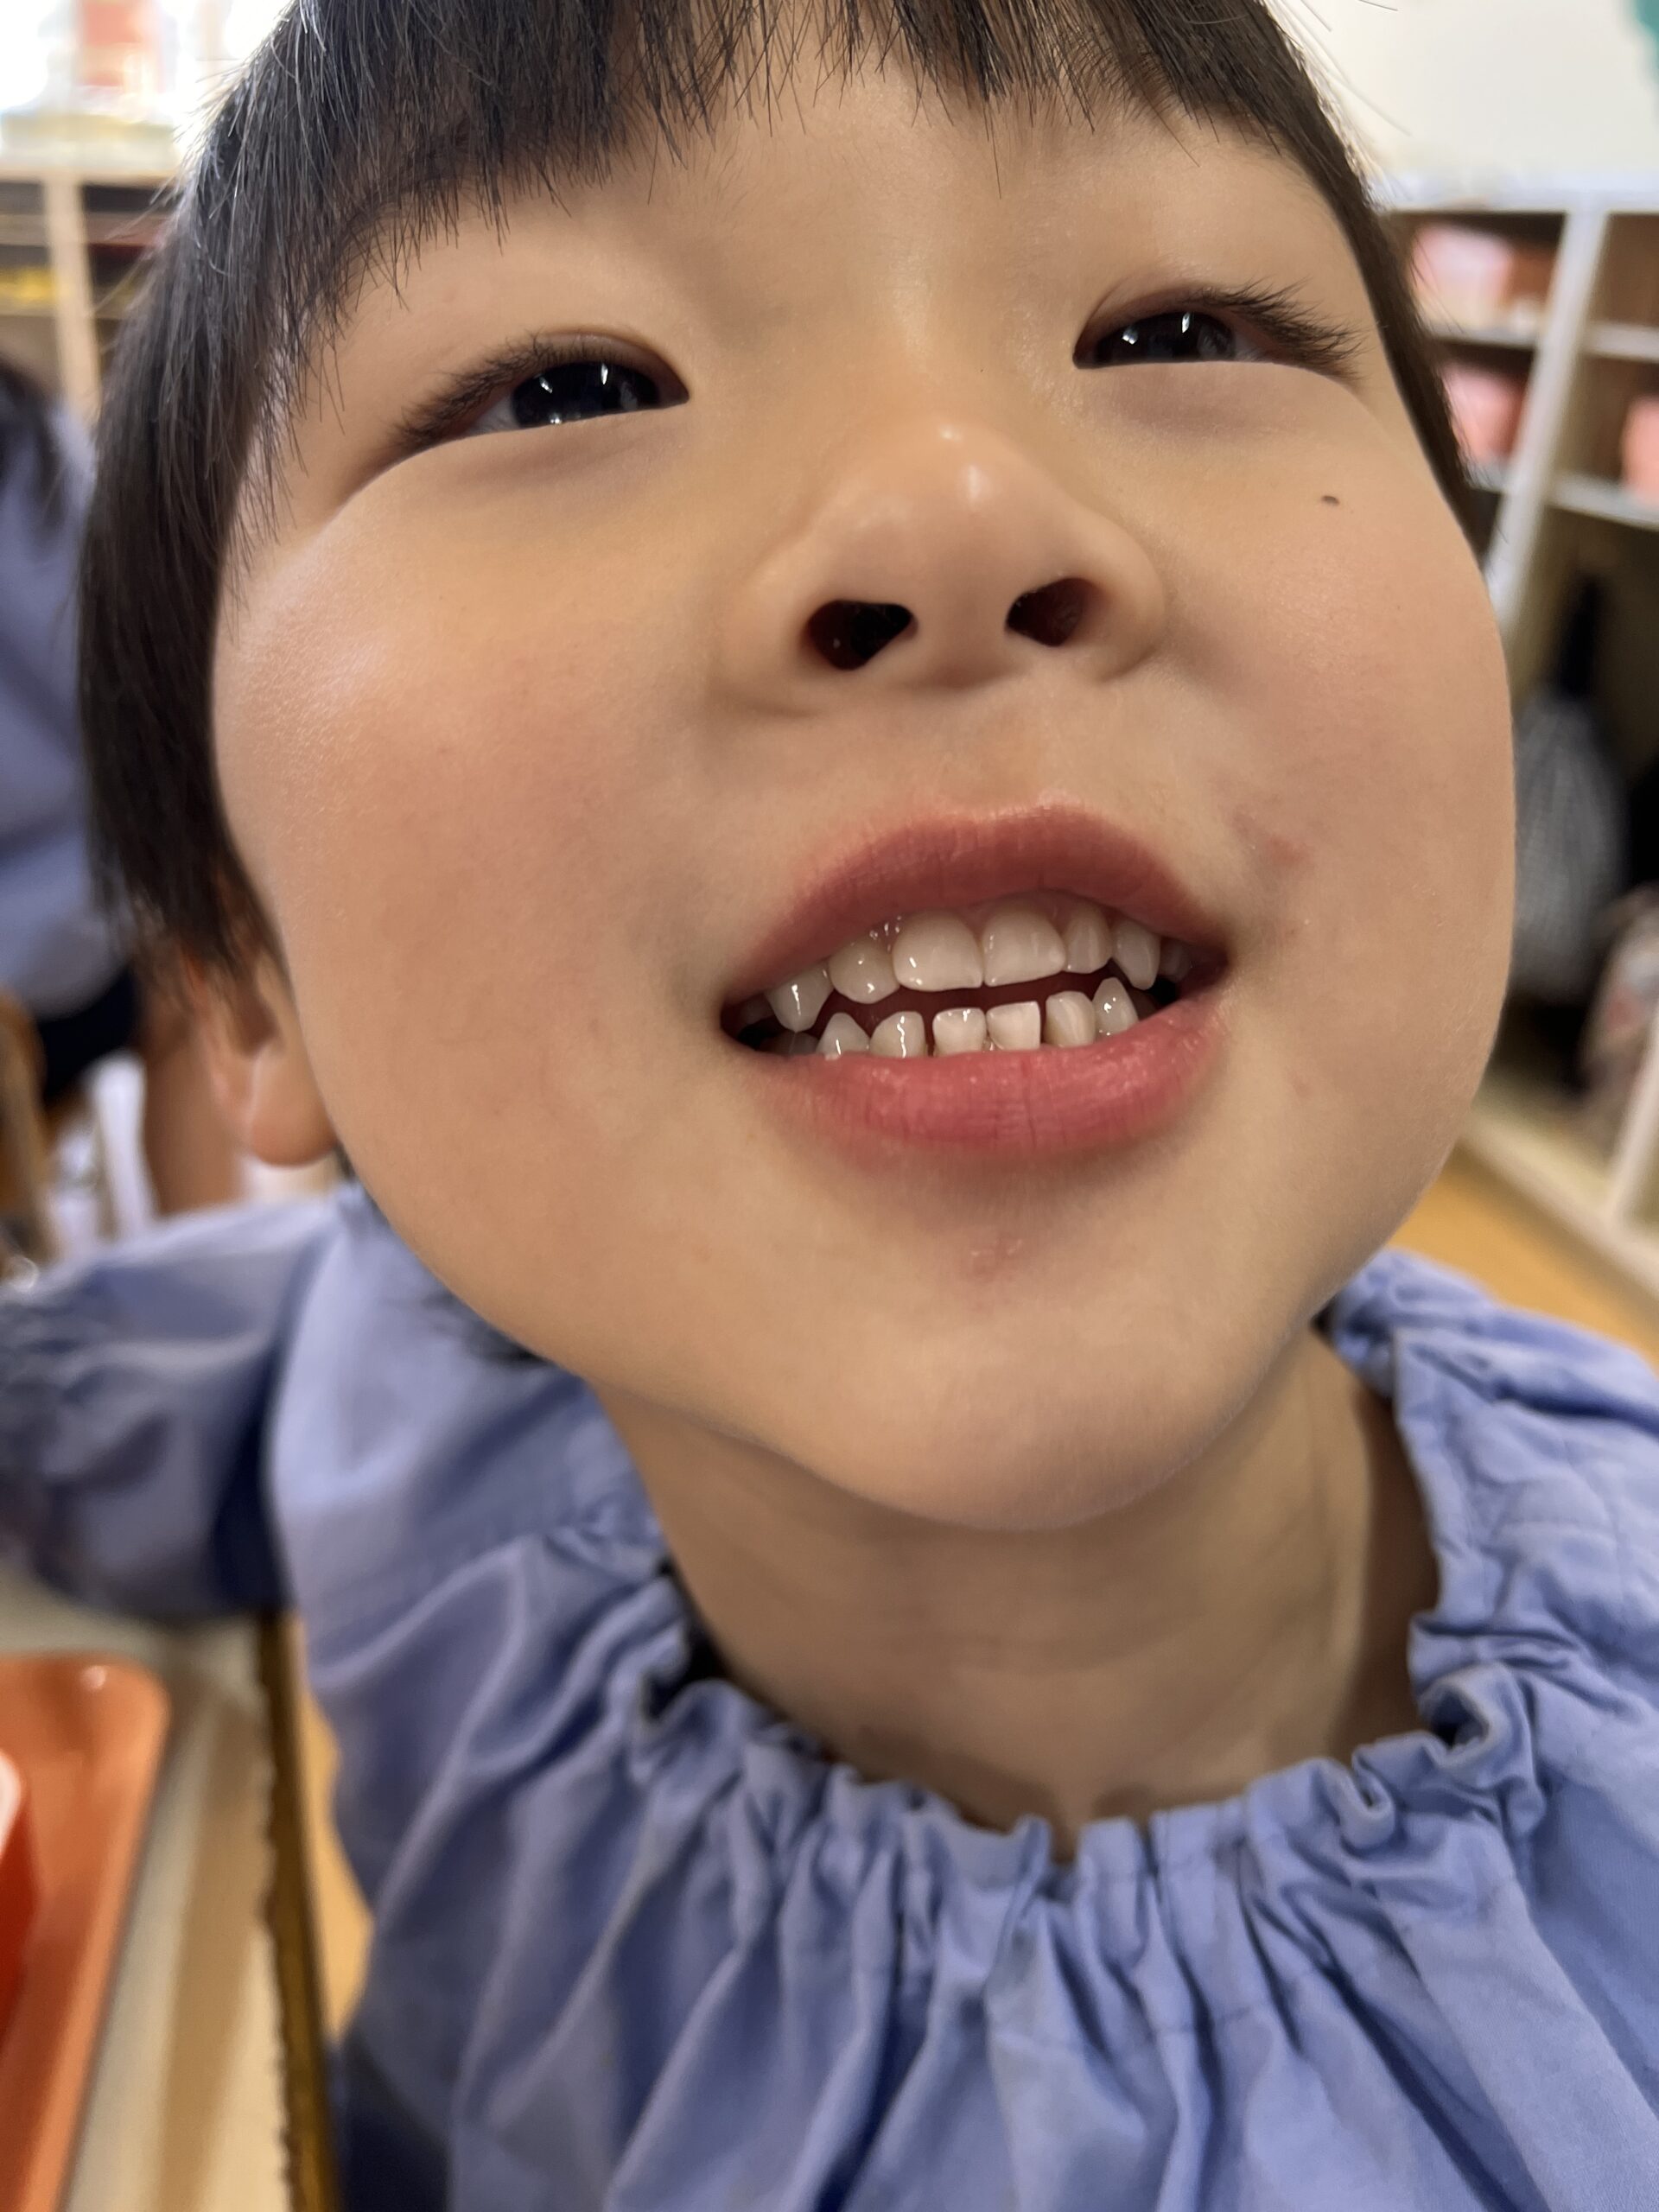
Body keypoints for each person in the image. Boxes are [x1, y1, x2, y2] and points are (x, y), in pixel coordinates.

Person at [4, 0, 1659, 2203]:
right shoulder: (427, 1378)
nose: (953, 507)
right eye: (570, 387)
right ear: (240, 972)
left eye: (1173, 328)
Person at [0, 359, 240, 1217]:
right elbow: (130, 679)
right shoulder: (33, 436)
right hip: (92, 948)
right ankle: (203, 1260)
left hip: (33, 995)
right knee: (194, 990)